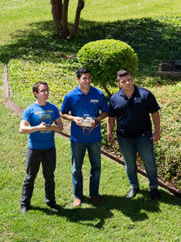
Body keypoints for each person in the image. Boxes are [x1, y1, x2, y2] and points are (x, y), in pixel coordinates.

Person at [107, 70, 161, 200]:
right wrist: (109, 133)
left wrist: (157, 131)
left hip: (144, 136)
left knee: (150, 163)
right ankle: (134, 187)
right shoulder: (114, 99)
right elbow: (111, 118)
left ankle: (153, 187)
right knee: (130, 164)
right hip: (124, 137)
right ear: (119, 84)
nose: (127, 83)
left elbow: (155, 113)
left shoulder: (145, 94)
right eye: (124, 81)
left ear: (132, 79)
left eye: (129, 79)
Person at [61, 67, 109, 207]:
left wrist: (97, 119)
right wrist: (74, 118)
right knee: (76, 168)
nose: (87, 80)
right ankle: (78, 195)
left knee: (96, 167)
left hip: (94, 138)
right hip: (77, 138)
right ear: (78, 79)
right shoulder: (70, 96)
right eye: (84, 78)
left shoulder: (98, 94)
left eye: (89, 78)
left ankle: (94, 194)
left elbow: (105, 112)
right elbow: (62, 113)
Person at [19, 81, 63, 213]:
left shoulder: (53, 108)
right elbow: (22, 129)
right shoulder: (30, 110)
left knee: (49, 176)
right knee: (30, 177)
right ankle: (25, 203)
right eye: (43, 91)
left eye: (47, 90)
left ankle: (51, 202)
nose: (46, 93)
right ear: (36, 94)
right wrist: (38, 127)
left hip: (50, 148)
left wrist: (54, 127)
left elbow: (61, 127)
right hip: (34, 149)